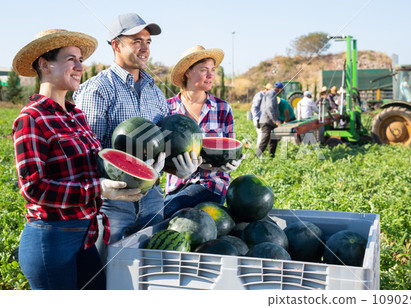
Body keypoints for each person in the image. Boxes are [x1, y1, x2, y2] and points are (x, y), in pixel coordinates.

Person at [11, 29, 143, 290]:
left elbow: (97, 166)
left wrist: (139, 170)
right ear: (44, 64)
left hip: (85, 235)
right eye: (71, 59)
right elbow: (33, 188)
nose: (80, 66)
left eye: (80, 59)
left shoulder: (76, 116)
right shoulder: (31, 118)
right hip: (51, 239)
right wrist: (97, 189)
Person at [73, 14, 201, 252]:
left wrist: (182, 168)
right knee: (108, 275)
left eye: (148, 42)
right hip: (112, 202)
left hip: (152, 198)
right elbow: (89, 152)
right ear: (116, 45)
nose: (144, 48)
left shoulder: (156, 92)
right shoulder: (97, 89)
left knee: (144, 274)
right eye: (136, 41)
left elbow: (163, 148)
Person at [164, 45, 244, 218]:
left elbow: (231, 148)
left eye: (213, 70)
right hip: (176, 186)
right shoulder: (167, 108)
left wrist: (233, 161)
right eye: (203, 70)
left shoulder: (223, 108)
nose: (211, 76)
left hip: (211, 185)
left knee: (166, 212)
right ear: (187, 72)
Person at [255, 81, 284, 158]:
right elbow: (269, 108)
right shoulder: (271, 94)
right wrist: (275, 120)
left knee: (273, 140)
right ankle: (256, 157)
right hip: (267, 122)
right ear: (279, 89)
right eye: (282, 90)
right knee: (264, 141)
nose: (281, 92)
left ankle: (271, 158)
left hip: (270, 122)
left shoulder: (271, 93)